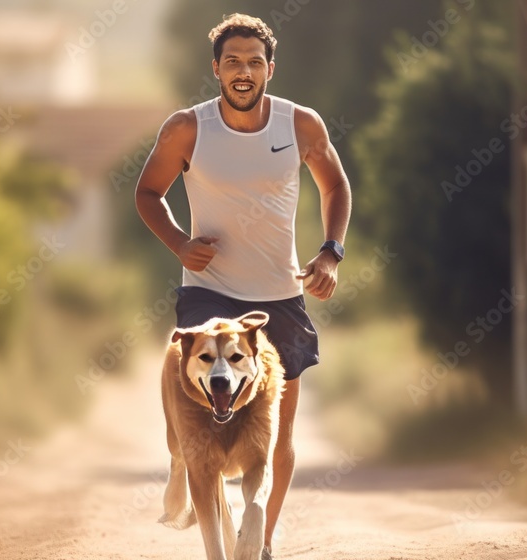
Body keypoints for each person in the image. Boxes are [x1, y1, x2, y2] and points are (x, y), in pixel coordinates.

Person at [135, 12, 352, 557]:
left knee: (274, 438)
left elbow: (335, 187)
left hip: (280, 294)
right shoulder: (187, 127)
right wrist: (180, 244)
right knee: (200, 433)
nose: (243, 71)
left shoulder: (300, 124)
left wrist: (330, 253)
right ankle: (196, 488)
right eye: (233, 61)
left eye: (254, 62)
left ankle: (261, 542)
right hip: (208, 296)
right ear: (216, 68)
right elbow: (147, 193)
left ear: (270, 70)